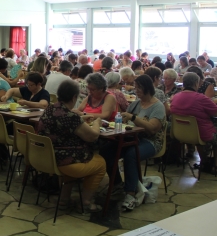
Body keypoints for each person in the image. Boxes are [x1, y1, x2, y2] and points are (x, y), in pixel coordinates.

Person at [37, 79, 105, 212]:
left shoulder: (51, 109)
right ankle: (85, 202)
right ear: (74, 97)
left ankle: (63, 199)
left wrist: (80, 120)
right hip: (63, 160)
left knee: (73, 158)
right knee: (101, 163)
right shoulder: (70, 117)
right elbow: (92, 136)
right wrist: (97, 123)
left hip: (46, 157)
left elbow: (66, 124)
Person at [100, 75, 166, 211]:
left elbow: (152, 128)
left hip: (151, 141)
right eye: (135, 88)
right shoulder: (135, 104)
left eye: (139, 88)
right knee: (107, 150)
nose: (136, 90)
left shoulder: (158, 106)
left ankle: (130, 193)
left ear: (147, 88)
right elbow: (125, 119)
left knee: (131, 154)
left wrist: (133, 118)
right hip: (131, 138)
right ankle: (117, 183)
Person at [171, 72, 217, 175]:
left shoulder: (175, 97)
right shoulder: (201, 98)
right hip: (200, 134)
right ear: (196, 84)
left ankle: (204, 161)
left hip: (181, 133)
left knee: (201, 131)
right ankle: (216, 165)